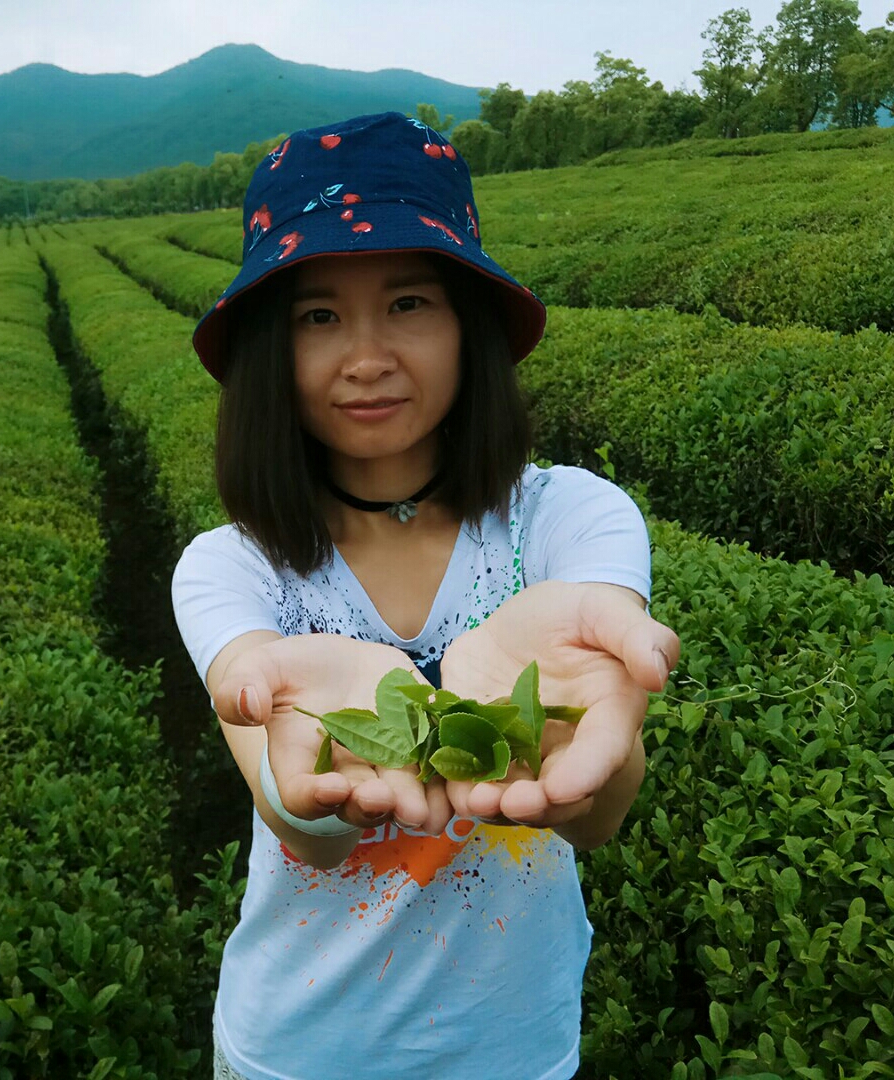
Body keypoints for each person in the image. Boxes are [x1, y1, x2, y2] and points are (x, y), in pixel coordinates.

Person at [170, 111, 681, 1080]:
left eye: (409, 303)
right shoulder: (232, 567)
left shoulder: (570, 519)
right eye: (318, 316)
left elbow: (600, 810)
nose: (366, 356)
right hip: (301, 1049)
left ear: (467, 324)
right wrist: (314, 740)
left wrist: (586, 747)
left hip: (511, 1042)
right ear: (270, 352)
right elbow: (306, 829)